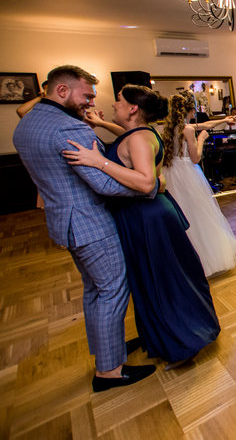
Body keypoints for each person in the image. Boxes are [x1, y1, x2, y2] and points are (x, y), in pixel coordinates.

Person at [13, 65, 157, 392]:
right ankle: (109, 371)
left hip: (63, 221)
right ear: (62, 90)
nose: (91, 102)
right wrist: (150, 188)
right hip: (89, 223)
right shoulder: (70, 128)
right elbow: (103, 184)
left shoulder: (28, 123)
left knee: (94, 290)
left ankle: (108, 350)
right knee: (112, 290)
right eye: (87, 95)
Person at [62, 84, 221, 370]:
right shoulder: (139, 133)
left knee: (163, 280)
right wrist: (100, 124)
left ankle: (184, 342)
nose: (114, 104)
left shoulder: (139, 137)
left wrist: (99, 162)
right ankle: (169, 337)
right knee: (156, 277)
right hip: (144, 216)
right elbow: (128, 140)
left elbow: (147, 182)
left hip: (148, 218)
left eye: (119, 100)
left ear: (133, 108)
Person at [161, 94, 236, 275]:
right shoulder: (188, 130)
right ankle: (207, 258)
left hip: (171, 173)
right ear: (190, 110)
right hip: (186, 174)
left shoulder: (169, 128)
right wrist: (201, 140)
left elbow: (205, 125)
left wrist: (224, 120)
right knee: (198, 212)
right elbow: (195, 158)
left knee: (181, 212)